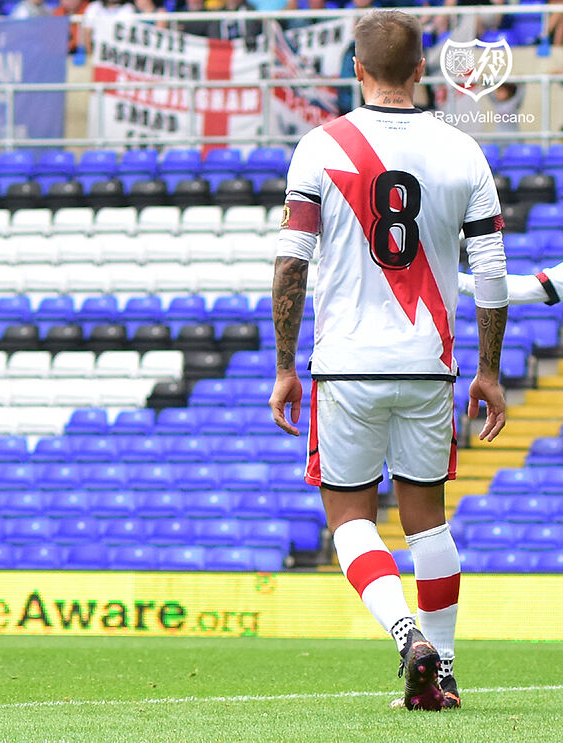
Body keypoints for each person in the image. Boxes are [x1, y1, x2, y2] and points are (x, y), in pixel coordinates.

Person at [268, 10, 508, 713]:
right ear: (423, 69)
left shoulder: (320, 146)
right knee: (428, 522)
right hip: (428, 364)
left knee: (349, 518)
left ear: (357, 70)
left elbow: (291, 264)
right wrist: (489, 371)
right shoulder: (462, 150)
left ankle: (407, 637)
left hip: (345, 364)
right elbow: (491, 274)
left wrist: (284, 365)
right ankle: (446, 673)